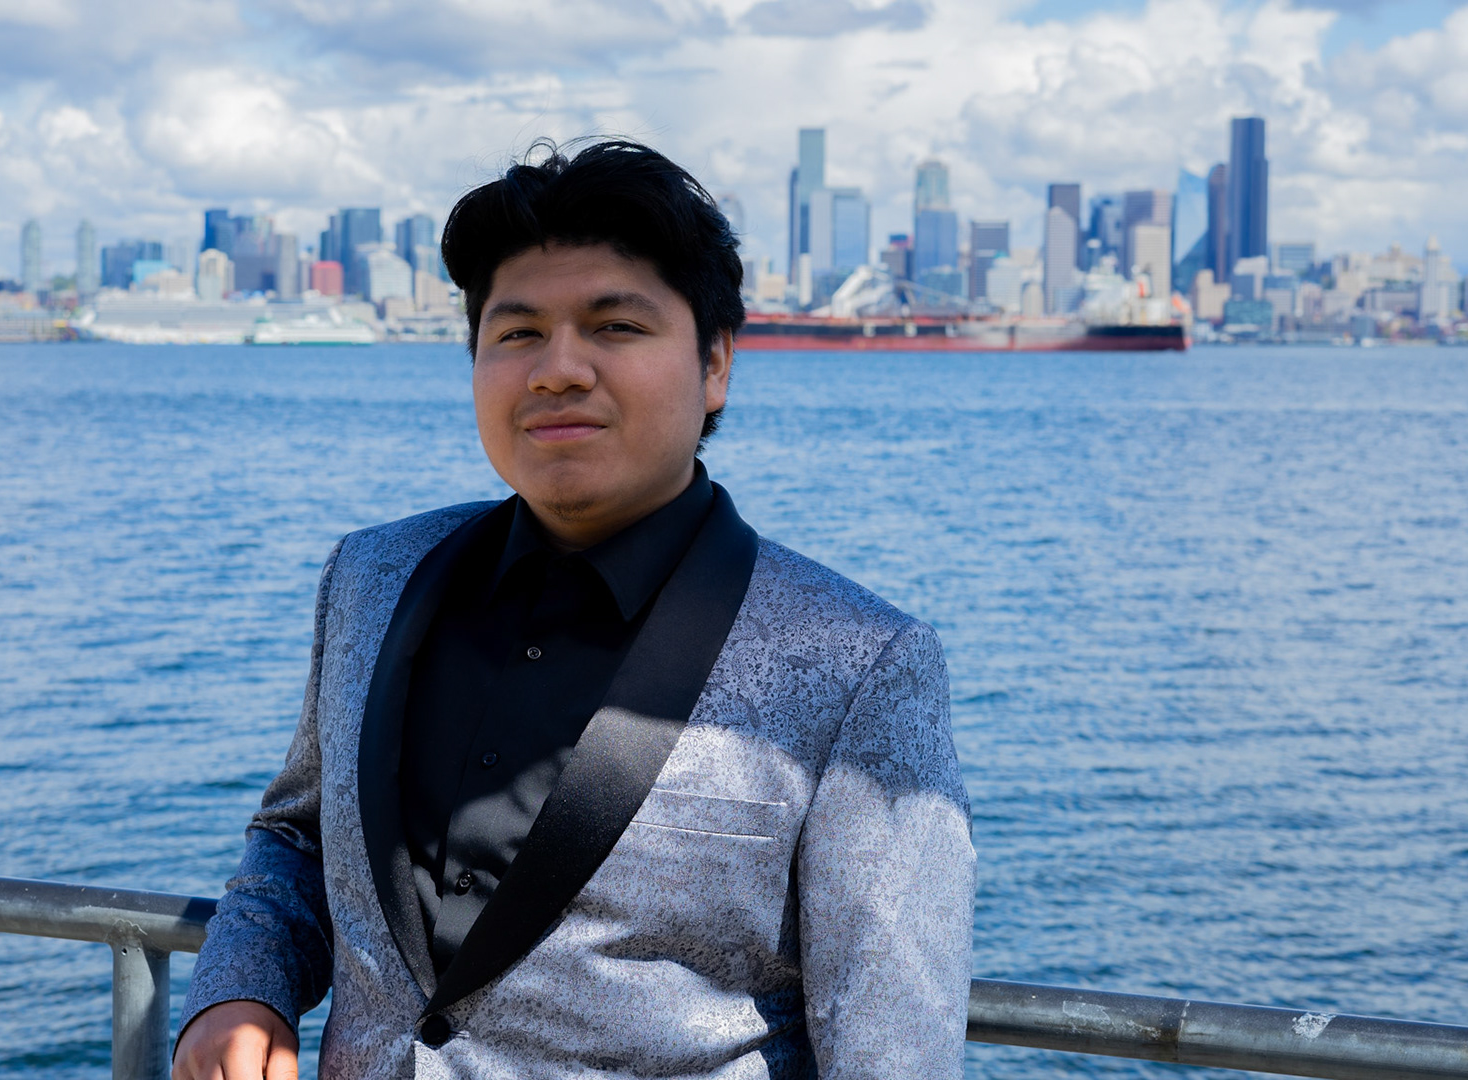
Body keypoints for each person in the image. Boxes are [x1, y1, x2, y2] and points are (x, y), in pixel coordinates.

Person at [172, 140, 974, 1080]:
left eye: (616, 326)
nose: (557, 369)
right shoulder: (369, 576)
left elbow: (893, 1053)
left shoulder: (860, 664)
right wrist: (240, 990)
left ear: (716, 364)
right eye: (516, 334)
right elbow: (301, 837)